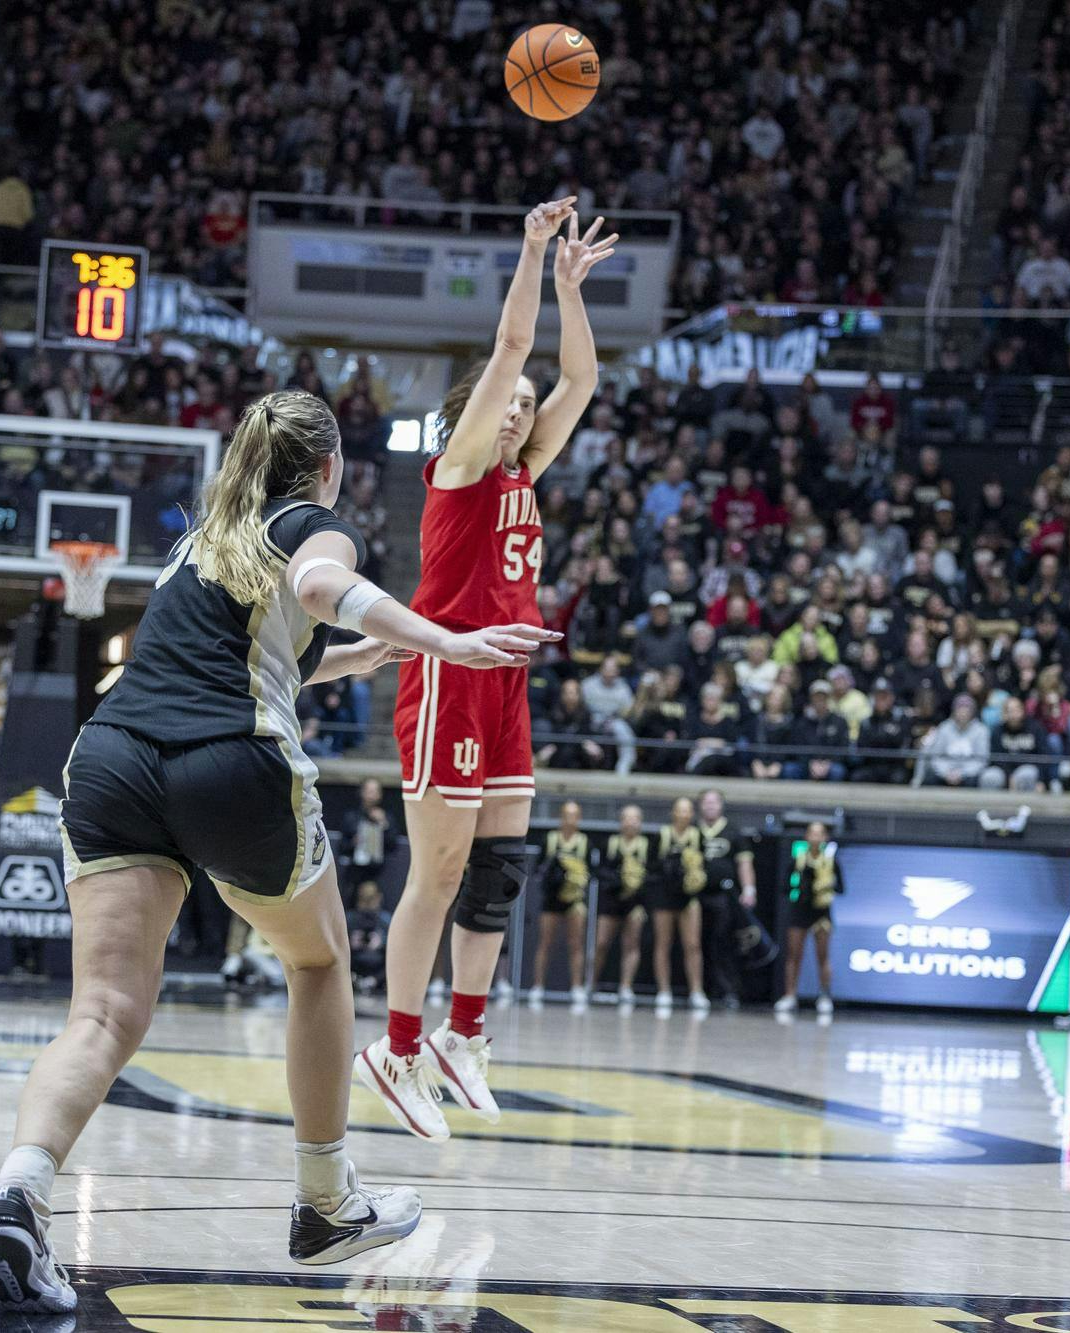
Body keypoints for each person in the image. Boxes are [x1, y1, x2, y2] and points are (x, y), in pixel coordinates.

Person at [0, 390, 551, 1313]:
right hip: (228, 764)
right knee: (318, 960)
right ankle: (325, 1201)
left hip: (113, 758)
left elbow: (240, 651)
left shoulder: (203, 539)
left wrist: (352, 658)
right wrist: (449, 640)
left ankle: (18, 1192)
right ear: (327, 468)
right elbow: (320, 589)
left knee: (102, 1016)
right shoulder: (314, 526)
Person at [369, 198, 618, 1141]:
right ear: (467, 417)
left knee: (499, 868)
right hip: (449, 672)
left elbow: (579, 381)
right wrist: (529, 253)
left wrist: (570, 290)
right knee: (434, 876)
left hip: (509, 678)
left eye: (521, 407)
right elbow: (513, 351)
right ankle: (393, 1049)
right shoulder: (463, 468)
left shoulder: (525, 466)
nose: (518, 409)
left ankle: (460, 1035)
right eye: (504, 402)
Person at [695, 788, 757, 1004]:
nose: (710, 806)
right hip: (696, 895)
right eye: (706, 802)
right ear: (700, 806)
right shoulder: (694, 831)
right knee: (694, 942)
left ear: (721, 806)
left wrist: (749, 889)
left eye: (714, 802)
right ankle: (698, 989)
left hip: (723, 896)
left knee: (722, 940)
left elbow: (744, 863)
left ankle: (727, 988)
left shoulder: (733, 832)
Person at [528, 801, 592, 1004]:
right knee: (545, 942)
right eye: (566, 815)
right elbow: (538, 871)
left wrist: (575, 878)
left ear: (579, 819)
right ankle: (537, 986)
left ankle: (577, 987)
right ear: (560, 818)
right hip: (552, 900)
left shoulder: (584, 842)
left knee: (576, 944)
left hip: (575, 900)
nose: (570, 820)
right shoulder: (550, 840)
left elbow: (590, 873)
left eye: (574, 815)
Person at [776, 820, 842, 1017]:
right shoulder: (798, 860)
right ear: (806, 837)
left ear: (825, 838)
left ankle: (824, 995)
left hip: (822, 912)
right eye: (811, 833)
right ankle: (790, 995)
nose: (815, 837)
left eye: (819, 834)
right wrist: (801, 889)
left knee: (823, 955)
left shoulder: (830, 862)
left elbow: (841, 888)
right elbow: (785, 887)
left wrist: (825, 886)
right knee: (794, 954)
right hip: (800, 910)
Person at [650, 796, 708, 1012]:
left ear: (692, 815)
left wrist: (695, 874)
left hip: (688, 897)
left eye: (687, 811)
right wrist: (668, 866)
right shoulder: (662, 835)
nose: (684, 815)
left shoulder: (697, 835)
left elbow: (703, 866)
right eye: (680, 811)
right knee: (663, 943)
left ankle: (696, 991)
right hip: (664, 896)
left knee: (692, 944)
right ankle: (664, 991)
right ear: (673, 813)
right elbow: (652, 867)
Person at [591, 804, 652, 1002]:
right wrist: (619, 878)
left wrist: (637, 882)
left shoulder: (646, 845)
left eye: (635, 819)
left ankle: (626, 987)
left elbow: (652, 874)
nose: (631, 822)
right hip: (611, 900)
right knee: (601, 943)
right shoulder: (610, 843)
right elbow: (599, 871)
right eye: (627, 818)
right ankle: (590, 984)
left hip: (635, 902)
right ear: (620, 821)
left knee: (631, 944)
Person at [346, 881, 390, 990]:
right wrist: (348, 943)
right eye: (363, 898)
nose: (367, 904)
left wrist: (382, 943)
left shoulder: (387, 922)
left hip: (379, 975)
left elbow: (398, 954)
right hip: (352, 972)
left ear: (378, 898)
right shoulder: (348, 920)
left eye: (370, 898)